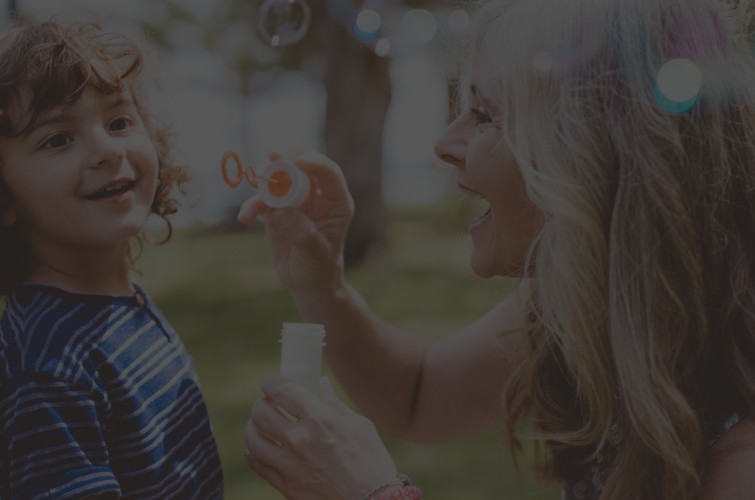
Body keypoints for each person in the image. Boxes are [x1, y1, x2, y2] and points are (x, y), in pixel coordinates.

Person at [237, 0, 755, 498]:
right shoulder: (581, 302)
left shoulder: (741, 457)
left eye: (484, 115)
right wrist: (322, 284)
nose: (443, 143)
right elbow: (418, 396)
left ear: (592, 156)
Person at [0, 22, 223, 499]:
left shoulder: (116, 305)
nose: (108, 149)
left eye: (119, 122)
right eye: (57, 139)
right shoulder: (44, 371)